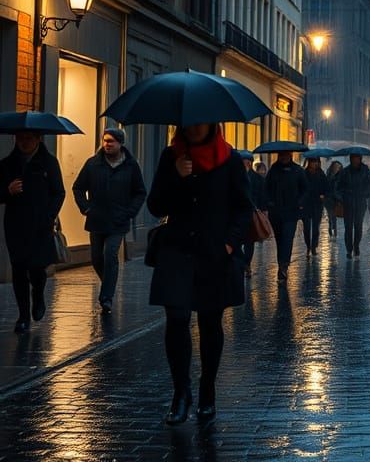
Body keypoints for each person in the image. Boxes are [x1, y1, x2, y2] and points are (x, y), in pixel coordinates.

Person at [146, 123, 250, 424]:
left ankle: (207, 391)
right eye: (191, 121)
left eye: (201, 121)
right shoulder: (171, 157)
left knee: (210, 322)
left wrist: (230, 243)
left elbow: (243, 207)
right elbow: (156, 205)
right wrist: (176, 176)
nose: (195, 128)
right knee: (176, 318)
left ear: (211, 125)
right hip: (177, 250)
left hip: (213, 253)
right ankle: (181, 392)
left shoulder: (228, 159)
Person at [72, 128, 147, 314]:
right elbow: (78, 188)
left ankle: (106, 298)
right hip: (97, 220)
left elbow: (140, 192)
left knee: (110, 254)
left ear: (120, 144)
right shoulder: (93, 164)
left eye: (111, 141)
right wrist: (86, 208)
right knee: (97, 258)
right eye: (105, 140)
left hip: (118, 221)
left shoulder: (131, 166)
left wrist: (130, 212)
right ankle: (109, 284)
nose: (107, 144)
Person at [0, 131, 65, 333]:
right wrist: (7, 191)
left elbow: (59, 192)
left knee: (37, 268)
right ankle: (23, 316)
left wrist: (49, 216)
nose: (24, 142)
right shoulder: (7, 164)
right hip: (16, 225)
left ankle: (38, 295)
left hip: (40, 226)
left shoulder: (49, 163)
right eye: (20, 138)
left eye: (28, 138)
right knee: (19, 269)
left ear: (38, 139)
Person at [265, 150, 306, 280]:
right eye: (281, 155)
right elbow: (266, 188)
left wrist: (299, 202)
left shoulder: (297, 170)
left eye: (286, 155)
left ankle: (284, 266)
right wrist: (269, 202)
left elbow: (305, 189)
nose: (283, 157)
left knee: (288, 238)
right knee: (279, 239)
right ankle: (281, 264)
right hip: (276, 211)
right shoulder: (273, 170)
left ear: (290, 156)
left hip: (291, 211)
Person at [333, 154, 370, 259]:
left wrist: (368, 192)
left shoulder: (366, 172)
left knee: (358, 226)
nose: (355, 160)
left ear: (360, 159)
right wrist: (341, 197)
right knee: (348, 227)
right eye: (353, 158)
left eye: (357, 158)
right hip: (348, 202)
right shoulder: (345, 172)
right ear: (350, 159)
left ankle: (356, 246)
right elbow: (337, 187)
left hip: (360, 202)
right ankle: (349, 249)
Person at [239, 151, 267, 272]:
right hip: (237, 213)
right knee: (238, 239)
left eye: (245, 162)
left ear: (249, 163)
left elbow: (262, 195)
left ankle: (247, 263)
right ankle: (241, 262)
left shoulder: (257, 179)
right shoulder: (234, 176)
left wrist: (263, 210)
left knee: (249, 240)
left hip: (251, 212)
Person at [302, 157, 328, 258]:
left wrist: (323, 195)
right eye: (313, 162)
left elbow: (326, 187)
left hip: (317, 204)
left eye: (316, 162)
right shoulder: (304, 174)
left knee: (315, 227)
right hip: (306, 204)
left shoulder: (321, 174)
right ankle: (308, 245)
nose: (315, 164)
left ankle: (314, 246)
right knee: (307, 228)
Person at [325, 161, 342, 237]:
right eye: (335, 167)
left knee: (334, 217)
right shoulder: (328, 176)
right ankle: (330, 227)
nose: (336, 168)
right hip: (329, 199)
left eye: (338, 167)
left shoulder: (340, 177)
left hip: (337, 199)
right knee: (330, 215)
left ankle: (334, 231)